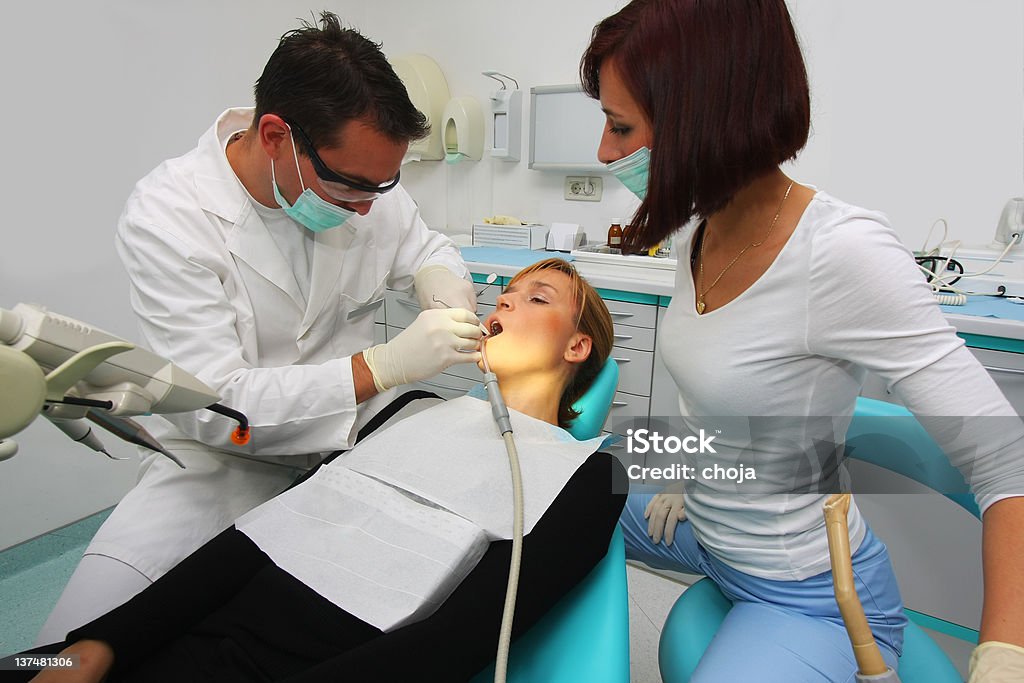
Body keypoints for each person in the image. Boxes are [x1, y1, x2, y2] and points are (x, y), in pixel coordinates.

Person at [582, 1, 1024, 681]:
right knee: (560, 501)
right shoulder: (696, 226)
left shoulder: (843, 253)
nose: (605, 152)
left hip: (809, 592)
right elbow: (721, 395)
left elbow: (1006, 463)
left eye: (620, 126)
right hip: (707, 532)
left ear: (707, 122)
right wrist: (676, 467)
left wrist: (1003, 653)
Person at [37, 12, 486, 646]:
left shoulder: (366, 188)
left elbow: (426, 246)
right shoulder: (171, 216)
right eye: (353, 186)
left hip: (353, 447)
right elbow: (216, 406)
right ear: (275, 135)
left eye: (382, 187)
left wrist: (444, 287)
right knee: (71, 645)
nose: (368, 207)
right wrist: (380, 368)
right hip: (219, 465)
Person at [23, 259, 625, 683]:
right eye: (504, 296)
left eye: (536, 299)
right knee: (31, 664)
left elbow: (453, 644)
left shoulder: (584, 478)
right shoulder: (410, 411)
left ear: (577, 348)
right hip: (202, 629)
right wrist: (101, 643)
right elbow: (258, 539)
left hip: (320, 664)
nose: (505, 304)